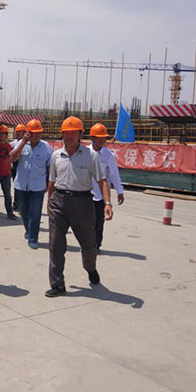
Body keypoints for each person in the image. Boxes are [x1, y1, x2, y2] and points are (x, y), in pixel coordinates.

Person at [45, 116, 113, 298]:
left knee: (88, 245)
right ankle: (57, 284)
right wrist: (49, 202)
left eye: (73, 133)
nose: (69, 136)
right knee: (55, 245)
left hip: (82, 203)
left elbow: (102, 181)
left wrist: (107, 203)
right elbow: (51, 181)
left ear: (80, 135)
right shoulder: (56, 156)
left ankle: (90, 268)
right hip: (59, 202)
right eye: (66, 133)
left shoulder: (91, 156)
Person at [9, 119, 52, 249]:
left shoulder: (46, 147)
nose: (36, 135)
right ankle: (28, 230)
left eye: (39, 133)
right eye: (33, 133)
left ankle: (33, 238)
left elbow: (49, 167)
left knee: (35, 212)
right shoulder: (21, 144)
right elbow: (13, 158)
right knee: (23, 211)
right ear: (28, 133)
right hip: (21, 185)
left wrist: (48, 184)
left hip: (38, 186)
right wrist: (23, 142)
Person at [88, 123, 125, 251]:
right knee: (86, 222)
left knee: (99, 222)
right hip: (86, 194)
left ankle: (96, 245)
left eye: (103, 138)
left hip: (101, 195)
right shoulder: (85, 153)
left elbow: (114, 174)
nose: (101, 140)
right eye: (98, 137)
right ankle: (87, 244)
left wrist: (120, 191)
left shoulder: (109, 155)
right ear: (92, 138)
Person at [10, 124, 26, 211]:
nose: (18, 133)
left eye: (20, 132)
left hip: (23, 167)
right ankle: (16, 204)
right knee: (17, 186)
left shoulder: (27, 144)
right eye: (17, 132)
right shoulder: (13, 144)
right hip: (15, 166)